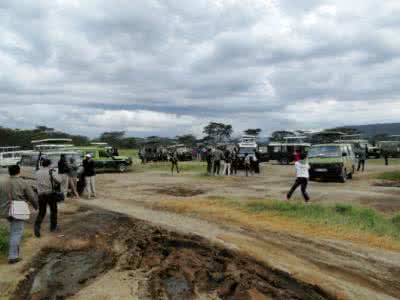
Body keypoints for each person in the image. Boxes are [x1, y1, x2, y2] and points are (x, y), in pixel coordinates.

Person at [0, 165, 37, 264]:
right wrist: (36, 206)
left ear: (9, 172)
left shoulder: (3, 182)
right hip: (18, 210)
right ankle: (13, 257)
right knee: (16, 233)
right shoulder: (23, 182)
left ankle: (12, 253)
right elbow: (32, 196)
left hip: (6, 210)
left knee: (13, 231)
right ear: (19, 171)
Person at [34, 159, 61, 237]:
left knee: (42, 212)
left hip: (40, 195)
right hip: (50, 194)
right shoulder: (51, 172)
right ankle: (53, 227)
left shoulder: (37, 172)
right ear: (49, 164)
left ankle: (37, 227)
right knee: (53, 211)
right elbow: (59, 181)